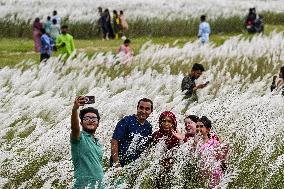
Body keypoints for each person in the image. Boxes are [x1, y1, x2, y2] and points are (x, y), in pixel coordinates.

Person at [70, 96, 104, 188]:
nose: (90, 120)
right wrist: (75, 109)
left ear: (98, 123)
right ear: (81, 123)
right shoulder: (79, 137)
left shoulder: (98, 143)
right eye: (86, 118)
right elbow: (74, 128)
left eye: (94, 118)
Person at [110, 98, 153, 168]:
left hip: (133, 167)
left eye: (147, 109)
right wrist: (116, 164)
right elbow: (114, 141)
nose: (143, 111)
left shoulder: (148, 127)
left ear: (151, 111)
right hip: (119, 166)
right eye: (141, 108)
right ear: (137, 108)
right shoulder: (126, 121)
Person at [195, 116, 228, 188]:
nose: (198, 128)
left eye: (201, 126)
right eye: (197, 126)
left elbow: (220, 158)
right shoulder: (196, 142)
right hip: (202, 173)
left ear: (208, 129)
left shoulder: (214, 143)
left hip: (214, 172)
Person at [151, 111, 180, 188]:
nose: (166, 124)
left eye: (169, 121)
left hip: (172, 167)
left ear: (173, 123)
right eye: (164, 121)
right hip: (157, 166)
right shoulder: (156, 135)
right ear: (160, 122)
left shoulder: (177, 136)